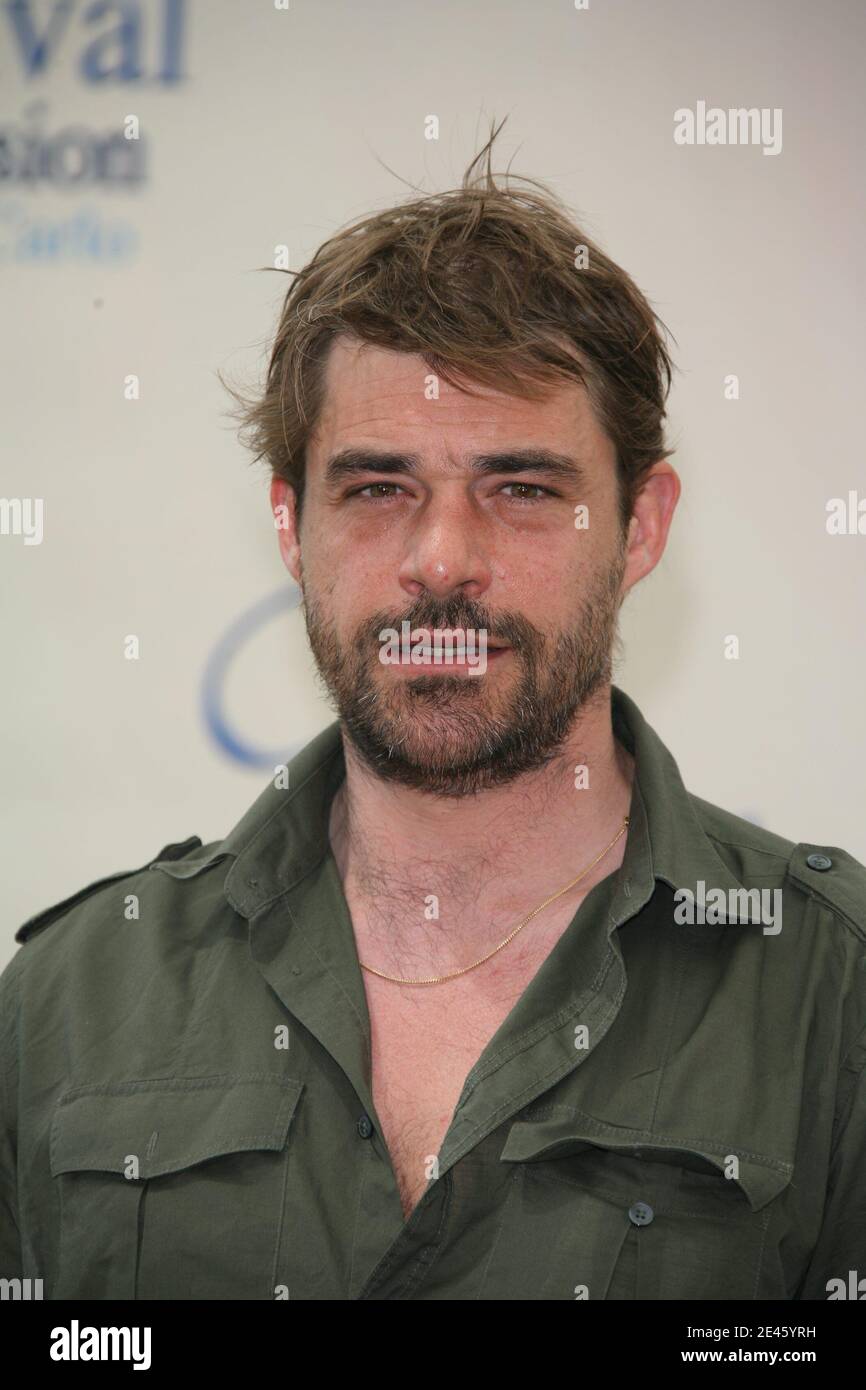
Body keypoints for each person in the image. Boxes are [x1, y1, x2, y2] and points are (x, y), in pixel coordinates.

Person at [2, 124, 864, 1301]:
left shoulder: (832, 996)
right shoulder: (72, 998)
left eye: (519, 488)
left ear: (640, 526)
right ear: (288, 524)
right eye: (375, 488)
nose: (441, 558)